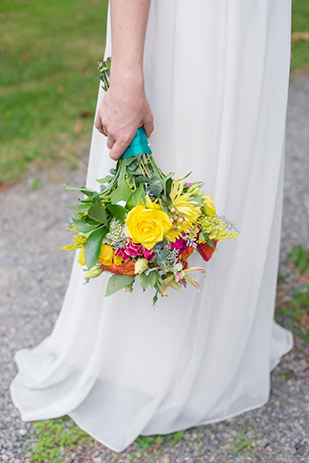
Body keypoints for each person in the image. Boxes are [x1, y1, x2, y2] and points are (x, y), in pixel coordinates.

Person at [10, 0, 294, 453]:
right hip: (192, 23)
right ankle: (145, 362)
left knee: (237, 164)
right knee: (183, 147)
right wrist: (125, 73)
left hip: (252, 21)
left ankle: (220, 342)